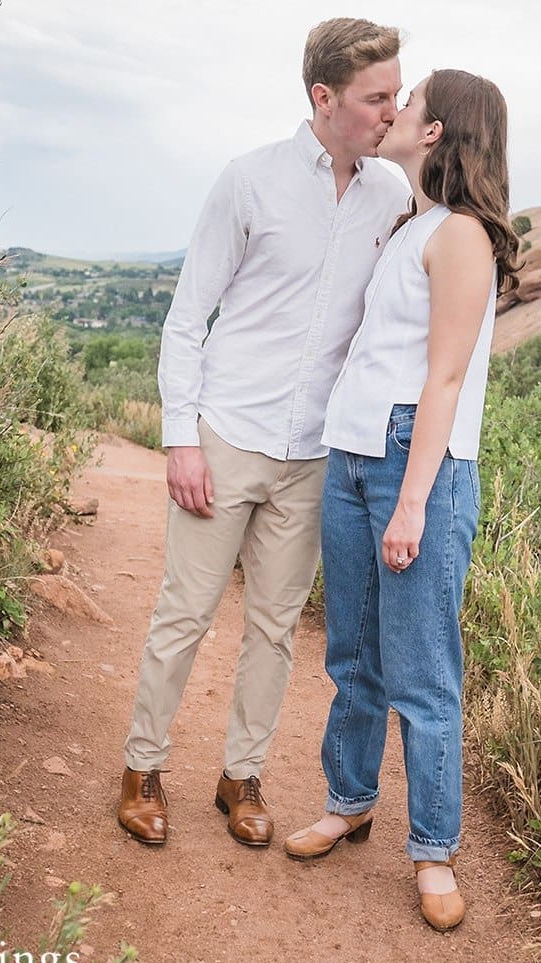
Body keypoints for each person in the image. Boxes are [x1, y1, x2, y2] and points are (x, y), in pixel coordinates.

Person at [116, 19, 410, 848]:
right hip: (230, 435)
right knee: (186, 613)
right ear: (324, 98)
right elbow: (186, 317)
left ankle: (239, 776)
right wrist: (181, 438)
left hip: (315, 455)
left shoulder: (391, 195)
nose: (391, 109)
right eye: (375, 96)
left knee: (277, 629)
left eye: (396, 92)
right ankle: (142, 767)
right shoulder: (249, 182)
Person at [283, 69, 519, 931]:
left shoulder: (461, 234)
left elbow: (445, 378)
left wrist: (414, 501)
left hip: (414, 464)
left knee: (423, 672)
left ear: (435, 131)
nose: (394, 110)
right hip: (352, 456)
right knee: (353, 656)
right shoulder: (407, 223)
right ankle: (348, 801)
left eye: (408, 101)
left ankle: (433, 850)